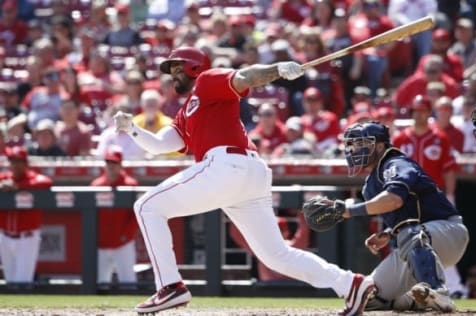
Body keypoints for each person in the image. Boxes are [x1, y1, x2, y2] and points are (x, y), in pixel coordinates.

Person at [113, 46, 376, 315]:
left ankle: (170, 286)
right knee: (276, 256)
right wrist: (132, 129)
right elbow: (160, 145)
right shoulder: (189, 107)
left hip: (226, 165)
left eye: (177, 68)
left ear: (194, 67)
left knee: (147, 207)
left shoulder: (207, 79)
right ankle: (349, 283)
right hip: (247, 173)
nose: (173, 75)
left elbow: (246, 77)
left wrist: (277, 70)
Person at [309, 121, 469, 312]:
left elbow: (394, 200)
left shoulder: (396, 162)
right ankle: (419, 299)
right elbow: (403, 215)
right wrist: (388, 233)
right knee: (369, 297)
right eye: (353, 145)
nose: (355, 150)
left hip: (449, 232)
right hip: (418, 245)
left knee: (410, 233)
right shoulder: (369, 185)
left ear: (379, 145)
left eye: (361, 144)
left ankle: (437, 291)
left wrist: (349, 210)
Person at [0, 146, 53, 284]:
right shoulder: (5, 178)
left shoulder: (32, 178)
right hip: (5, 236)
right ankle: (13, 307)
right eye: (12, 161)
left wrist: (18, 187)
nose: (15, 165)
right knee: (10, 282)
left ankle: (24, 307)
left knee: (22, 282)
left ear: (26, 163)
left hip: (26, 239)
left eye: (19, 161)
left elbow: (46, 182)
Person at [90, 145, 139, 285]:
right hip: (102, 244)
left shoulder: (130, 184)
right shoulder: (96, 185)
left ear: (120, 164)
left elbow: (135, 216)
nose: (111, 166)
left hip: (122, 243)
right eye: (108, 162)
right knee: (99, 283)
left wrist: (126, 235)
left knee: (128, 282)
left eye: (114, 162)